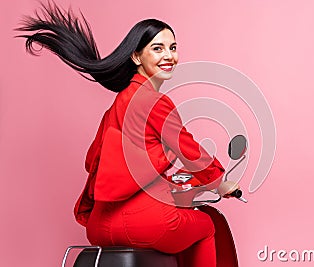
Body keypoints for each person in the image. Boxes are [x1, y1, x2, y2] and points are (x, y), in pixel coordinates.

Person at [16, 2, 239, 267]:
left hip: (99, 225)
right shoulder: (153, 100)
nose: (169, 55)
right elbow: (188, 149)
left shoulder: (120, 103)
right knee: (206, 224)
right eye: (158, 49)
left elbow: (95, 161)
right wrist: (220, 183)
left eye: (173, 47)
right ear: (136, 57)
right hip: (142, 223)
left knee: (184, 224)